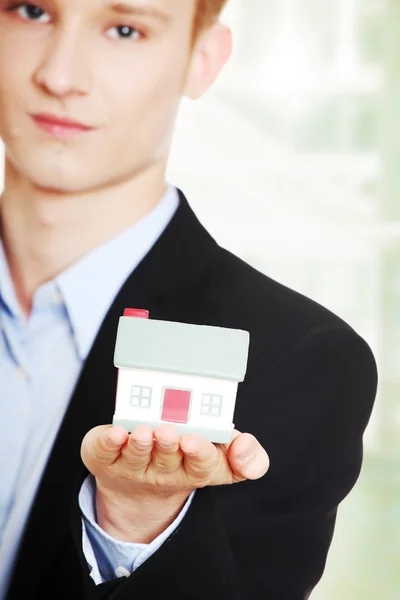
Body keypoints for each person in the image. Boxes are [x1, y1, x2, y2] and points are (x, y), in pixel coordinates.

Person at [0, 1, 378, 599]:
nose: (60, 75)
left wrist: (133, 521)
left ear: (202, 60)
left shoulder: (303, 363)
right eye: (30, 11)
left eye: (125, 30)